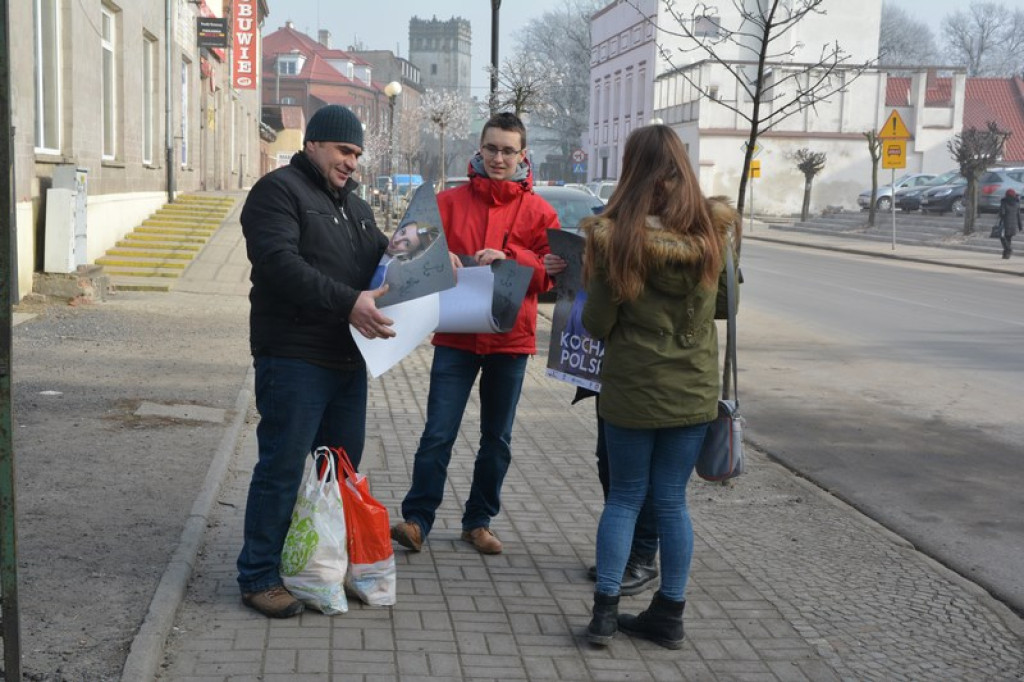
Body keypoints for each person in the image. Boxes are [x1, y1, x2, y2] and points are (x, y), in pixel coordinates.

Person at [580, 124, 739, 648]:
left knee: (624, 498)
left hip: (631, 390)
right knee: (672, 502)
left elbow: (598, 324)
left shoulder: (616, 237)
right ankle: (669, 614)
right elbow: (726, 308)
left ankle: (604, 615)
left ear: (632, 171)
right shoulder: (714, 234)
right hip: (691, 393)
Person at [236, 104, 397, 619]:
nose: (352, 162)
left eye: (357, 154)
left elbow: (381, 257)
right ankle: (259, 574)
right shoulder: (277, 193)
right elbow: (280, 265)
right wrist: (348, 301)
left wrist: (432, 257)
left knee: (340, 471)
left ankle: (323, 562)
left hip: (347, 360)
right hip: (294, 356)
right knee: (282, 466)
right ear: (314, 144)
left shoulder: (356, 206)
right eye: (343, 150)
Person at [390, 112, 559, 555]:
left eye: (508, 150)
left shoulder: (541, 212)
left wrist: (510, 257)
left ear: (523, 155)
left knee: (496, 439)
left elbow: (551, 278)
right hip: (457, 337)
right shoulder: (447, 202)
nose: (498, 157)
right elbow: (403, 254)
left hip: (510, 340)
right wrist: (434, 259)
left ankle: (478, 521)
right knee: (438, 432)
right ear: (478, 149)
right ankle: (416, 520)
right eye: (491, 148)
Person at [370, 219, 441, 289]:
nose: (397, 240)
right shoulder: (371, 236)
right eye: (402, 232)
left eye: (407, 244)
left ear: (407, 256)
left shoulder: (376, 278)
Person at [998, 188, 1020, 259]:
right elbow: (1018, 216)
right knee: (1008, 239)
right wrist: (1020, 226)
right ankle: (1006, 255)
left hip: (1005, 224)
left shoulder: (1004, 202)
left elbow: (1002, 213)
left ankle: (1008, 250)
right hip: (1013, 225)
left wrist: (1000, 209)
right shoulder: (1017, 203)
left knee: (1002, 237)